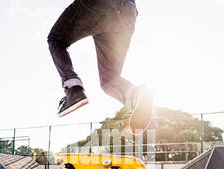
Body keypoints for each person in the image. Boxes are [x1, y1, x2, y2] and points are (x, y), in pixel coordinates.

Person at [47, 0, 153, 134]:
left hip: (97, 6)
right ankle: (136, 95)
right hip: (128, 11)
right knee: (110, 80)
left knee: (56, 40)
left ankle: (73, 90)